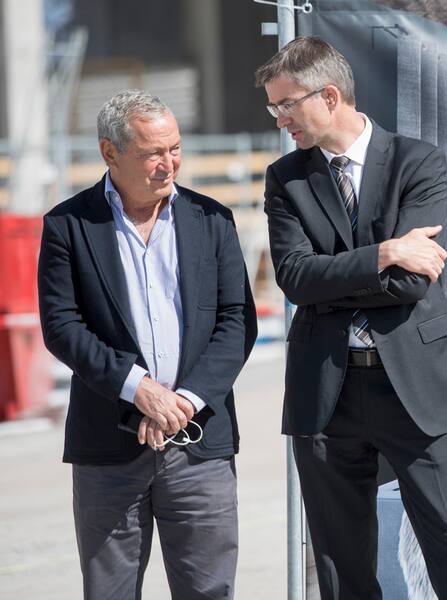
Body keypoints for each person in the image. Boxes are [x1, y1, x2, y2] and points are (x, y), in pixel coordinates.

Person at [256, 37, 447, 599]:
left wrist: (335, 277)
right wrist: (384, 253)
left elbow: (413, 282)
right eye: (274, 108)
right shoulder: (285, 178)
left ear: (329, 95)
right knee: (340, 563)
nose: (279, 118)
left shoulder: (419, 161)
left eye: (285, 104)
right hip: (327, 389)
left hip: (416, 386)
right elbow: (294, 277)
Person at [37, 89, 257, 600]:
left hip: (200, 444)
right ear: (110, 152)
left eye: (175, 148)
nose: (168, 164)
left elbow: (235, 322)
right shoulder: (68, 225)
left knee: (209, 591)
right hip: (109, 450)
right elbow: (63, 327)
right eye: (152, 153)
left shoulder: (212, 220)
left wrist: (183, 401)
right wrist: (139, 390)